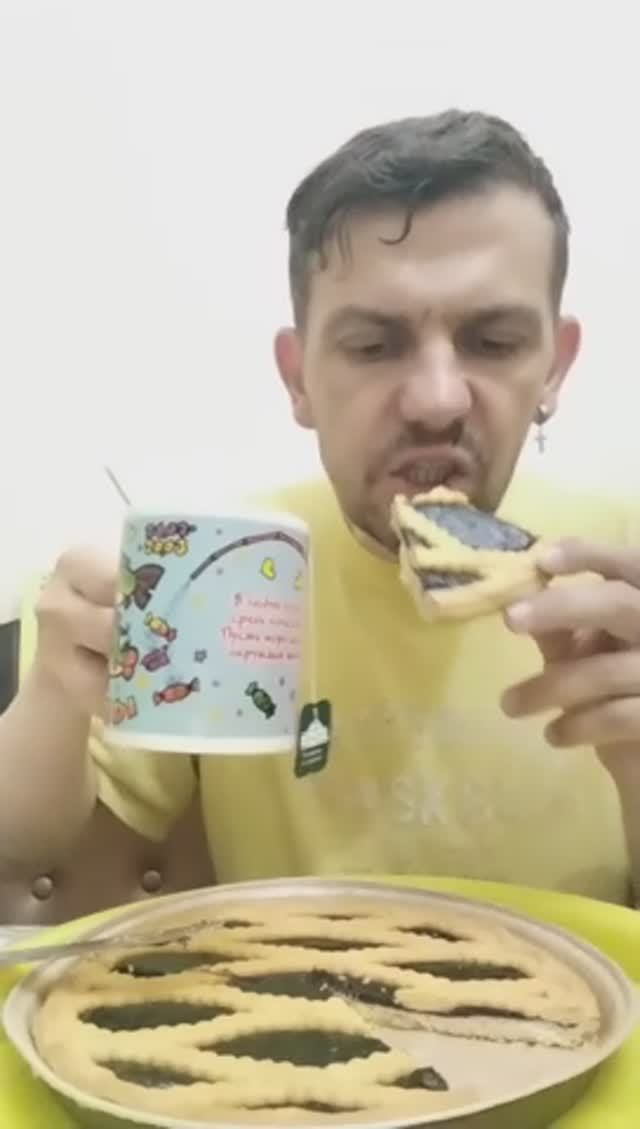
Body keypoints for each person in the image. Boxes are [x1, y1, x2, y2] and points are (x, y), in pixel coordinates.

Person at [2, 109, 639, 905]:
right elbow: (21, 852)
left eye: (494, 342)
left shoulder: (623, 567)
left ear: (554, 367)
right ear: (298, 377)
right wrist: (55, 699)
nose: (437, 399)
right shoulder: (222, 570)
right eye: (373, 346)